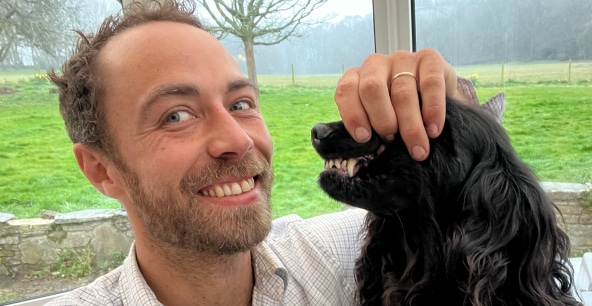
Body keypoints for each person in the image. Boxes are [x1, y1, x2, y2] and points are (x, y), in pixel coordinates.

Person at [45, 1, 465, 305]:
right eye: (175, 115)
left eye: (241, 104)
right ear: (102, 170)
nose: (238, 140)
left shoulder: (338, 257)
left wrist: (454, 110)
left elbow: (467, 217)